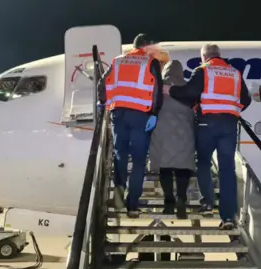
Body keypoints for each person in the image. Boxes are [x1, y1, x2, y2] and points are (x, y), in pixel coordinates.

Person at [164, 44, 251, 230]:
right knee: (227, 169)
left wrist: (169, 91)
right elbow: (246, 99)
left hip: (207, 124)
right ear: (219, 55)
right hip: (229, 125)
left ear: (204, 57)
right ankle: (228, 217)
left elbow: (189, 92)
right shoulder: (234, 72)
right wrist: (232, 111)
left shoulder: (203, 70)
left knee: (203, 162)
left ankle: (209, 202)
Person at [97, 33, 163, 218]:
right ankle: (132, 204)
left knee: (120, 156)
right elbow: (156, 90)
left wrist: (104, 103)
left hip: (118, 114)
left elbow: (102, 85)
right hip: (141, 116)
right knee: (139, 161)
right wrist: (155, 113)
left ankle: (118, 198)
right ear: (145, 46)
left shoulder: (117, 61)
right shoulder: (150, 62)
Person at [149, 60, 195, 219]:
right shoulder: (188, 88)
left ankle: (169, 201)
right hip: (184, 133)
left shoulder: (158, 87)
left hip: (162, 132)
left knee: (165, 168)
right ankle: (181, 198)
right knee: (183, 168)